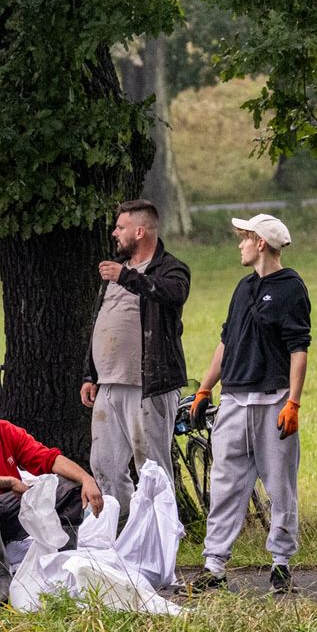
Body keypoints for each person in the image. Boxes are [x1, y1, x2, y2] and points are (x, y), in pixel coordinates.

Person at [190, 214, 310, 593]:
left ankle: (281, 563)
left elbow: (299, 348)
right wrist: (206, 388)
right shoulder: (242, 288)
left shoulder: (291, 288)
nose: (239, 244)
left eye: (243, 238)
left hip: (273, 401)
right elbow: (226, 343)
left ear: (260, 242)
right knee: (225, 483)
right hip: (234, 401)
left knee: (280, 485)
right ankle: (214, 565)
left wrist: (293, 402)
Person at [80, 200, 190, 520]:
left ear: (140, 231)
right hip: (108, 384)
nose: (115, 233)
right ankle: (121, 536)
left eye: (121, 227)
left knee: (151, 468)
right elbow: (102, 320)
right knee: (105, 467)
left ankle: (160, 540)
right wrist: (90, 374)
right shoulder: (116, 269)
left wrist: (127, 277)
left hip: (148, 384)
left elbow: (173, 293)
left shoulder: (169, 268)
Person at [0, 400, 104, 602]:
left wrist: (86, 479)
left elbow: (48, 458)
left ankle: (63, 570)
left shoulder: (5, 430)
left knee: (70, 489)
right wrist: (9, 482)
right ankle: (2, 583)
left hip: (12, 511)